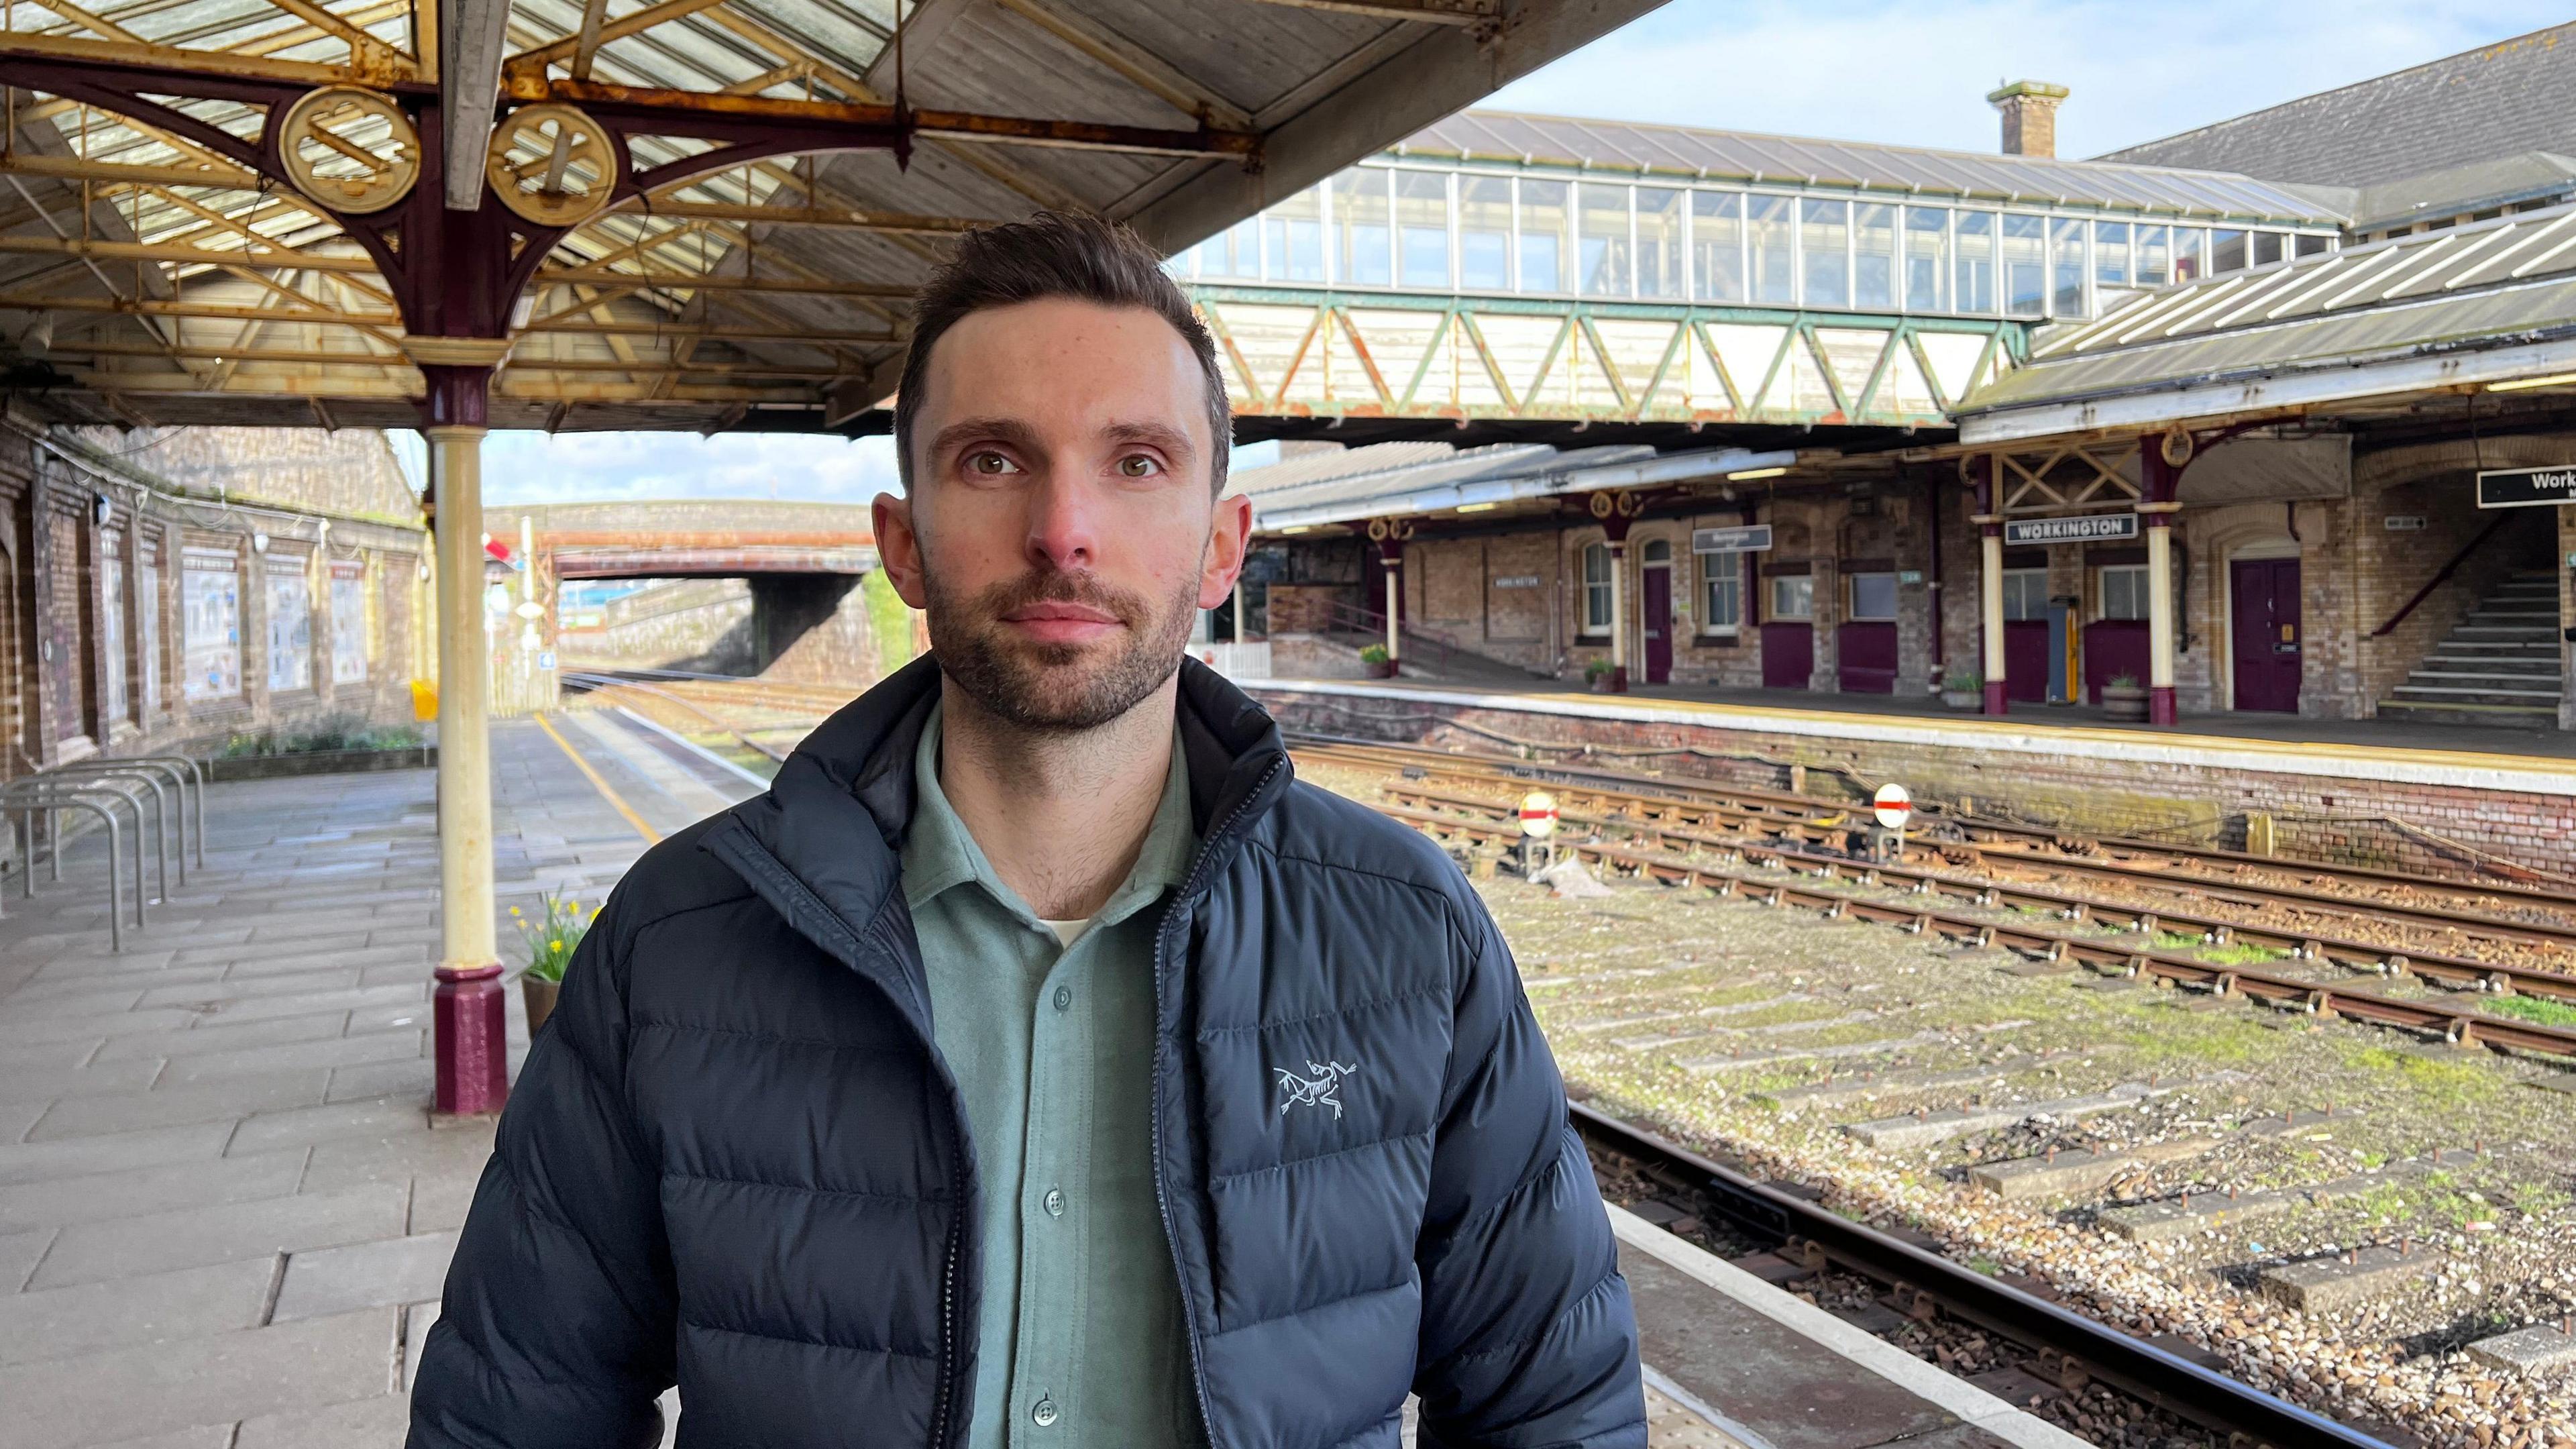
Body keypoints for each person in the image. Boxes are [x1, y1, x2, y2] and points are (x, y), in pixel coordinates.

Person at [409, 211, 1644, 1449]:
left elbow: (1556, 1412)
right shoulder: (678, 945)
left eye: (1138, 462)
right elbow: (516, 1411)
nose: (1064, 529)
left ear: (1221, 550)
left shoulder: (1407, 936)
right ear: (903, 545)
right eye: (994, 460)